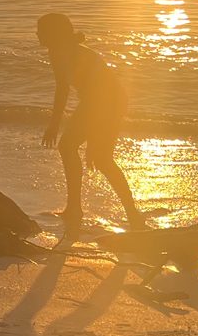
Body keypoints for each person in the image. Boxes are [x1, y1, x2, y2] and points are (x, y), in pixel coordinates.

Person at [37, 13, 145, 234]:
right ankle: (76, 208)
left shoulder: (60, 52)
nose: (37, 34)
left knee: (100, 159)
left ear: (54, 34)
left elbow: (63, 89)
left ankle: (131, 214)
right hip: (101, 101)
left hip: (106, 103)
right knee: (73, 149)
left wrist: (54, 125)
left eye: (41, 30)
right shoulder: (60, 49)